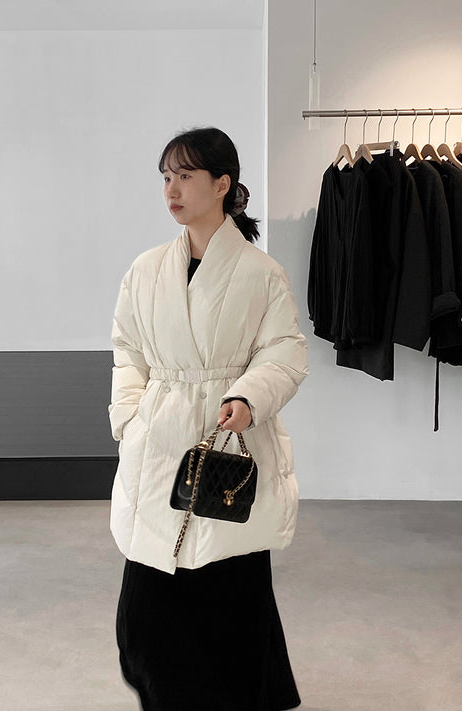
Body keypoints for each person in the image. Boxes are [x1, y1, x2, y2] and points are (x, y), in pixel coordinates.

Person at [108, 126, 308, 711]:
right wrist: (130, 416)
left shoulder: (260, 273)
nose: (171, 190)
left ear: (223, 184)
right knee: (146, 608)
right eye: (166, 177)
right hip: (160, 437)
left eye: (185, 176)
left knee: (229, 586)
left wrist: (249, 398)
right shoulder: (146, 269)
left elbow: (284, 352)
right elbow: (128, 350)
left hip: (226, 437)